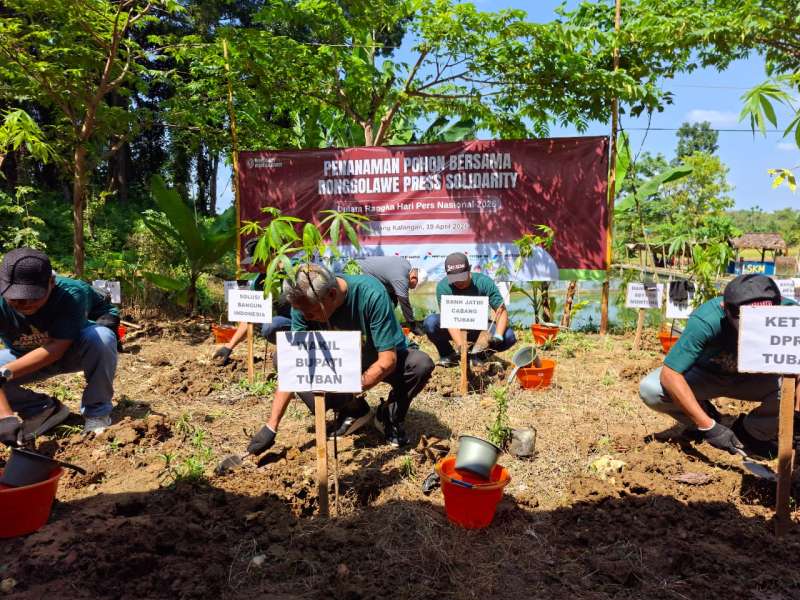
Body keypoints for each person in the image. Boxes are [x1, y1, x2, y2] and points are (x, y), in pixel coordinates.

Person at [245, 264, 434, 456]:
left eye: (311, 313)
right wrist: (271, 426)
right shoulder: (303, 305)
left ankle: (388, 415)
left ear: (332, 294)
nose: (306, 317)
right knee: (282, 358)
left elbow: (387, 360)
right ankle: (355, 410)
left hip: (381, 355)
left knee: (420, 365)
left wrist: (349, 389)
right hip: (342, 361)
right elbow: (294, 363)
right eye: (302, 312)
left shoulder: (371, 294)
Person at [639, 273, 798, 460]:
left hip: (756, 379)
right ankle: (702, 414)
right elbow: (670, 374)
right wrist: (708, 426)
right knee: (651, 389)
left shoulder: (791, 314)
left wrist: (797, 416)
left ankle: (752, 431)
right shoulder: (707, 320)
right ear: (725, 308)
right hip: (707, 376)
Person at [0, 248, 119, 446]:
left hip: (72, 352)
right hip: (22, 357)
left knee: (101, 337)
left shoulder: (71, 293)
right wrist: (5, 419)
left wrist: (4, 373)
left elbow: (56, 348)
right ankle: (43, 409)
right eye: (15, 299)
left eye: (34, 296)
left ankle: (97, 413)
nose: (25, 304)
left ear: (51, 282)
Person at [423, 252, 516, 367]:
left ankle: (479, 356)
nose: (459, 282)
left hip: (479, 327)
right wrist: (461, 347)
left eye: (462, 277)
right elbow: (449, 320)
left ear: (469, 270)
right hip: (455, 324)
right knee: (431, 322)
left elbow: (501, 310)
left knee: (508, 336)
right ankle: (449, 354)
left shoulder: (484, 282)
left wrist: (498, 335)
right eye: (454, 279)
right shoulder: (443, 287)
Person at [212, 239, 292, 366]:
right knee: (271, 328)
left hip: (313, 323)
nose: (255, 266)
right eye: (253, 263)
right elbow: (251, 316)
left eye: (258, 261)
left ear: (271, 254)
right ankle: (292, 348)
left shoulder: (293, 270)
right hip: (290, 324)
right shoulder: (260, 282)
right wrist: (228, 347)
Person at [355, 256, 427, 335]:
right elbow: (404, 303)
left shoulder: (406, 265)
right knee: (377, 305)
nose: (411, 288)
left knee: (392, 300)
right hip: (357, 273)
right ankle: (370, 329)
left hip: (362, 269)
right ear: (413, 278)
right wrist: (413, 326)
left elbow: (393, 292)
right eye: (414, 286)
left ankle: (381, 324)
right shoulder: (401, 277)